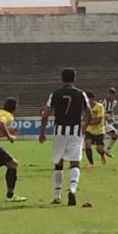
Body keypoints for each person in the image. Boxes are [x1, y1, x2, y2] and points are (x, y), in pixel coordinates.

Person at [38, 67, 91, 206]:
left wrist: (42, 132)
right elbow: (89, 113)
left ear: (62, 79)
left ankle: (57, 196)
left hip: (59, 131)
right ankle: (72, 189)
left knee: (58, 163)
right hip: (75, 132)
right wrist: (84, 126)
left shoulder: (55, 94)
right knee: (75, 163)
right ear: (74, 78)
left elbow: (45, 114)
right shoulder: (81, 94)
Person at [83, 91, 107, 168]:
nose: (86, 101)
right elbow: (85, 118)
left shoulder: (99, 107)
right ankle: (91, 163)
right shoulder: (86, 107)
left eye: (88, 99)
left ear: (92, 99)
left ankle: (102, 154)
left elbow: (98, 120)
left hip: (99, 131)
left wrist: (86, 124)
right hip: (89, 130)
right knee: (87, 145)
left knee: (99, 149)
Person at [100, 87, 118, 156]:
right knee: (99, 140)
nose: (111, 96)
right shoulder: (103, 101)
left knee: (115, 135)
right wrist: (105, 115)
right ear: (108, 94)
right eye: (110, 94)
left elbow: (111, 110)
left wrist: (112, 117)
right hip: (99, 123)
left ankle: (107, 150)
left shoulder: (114, 102)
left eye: (112, 94)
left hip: (105, 123)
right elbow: (98, 110)